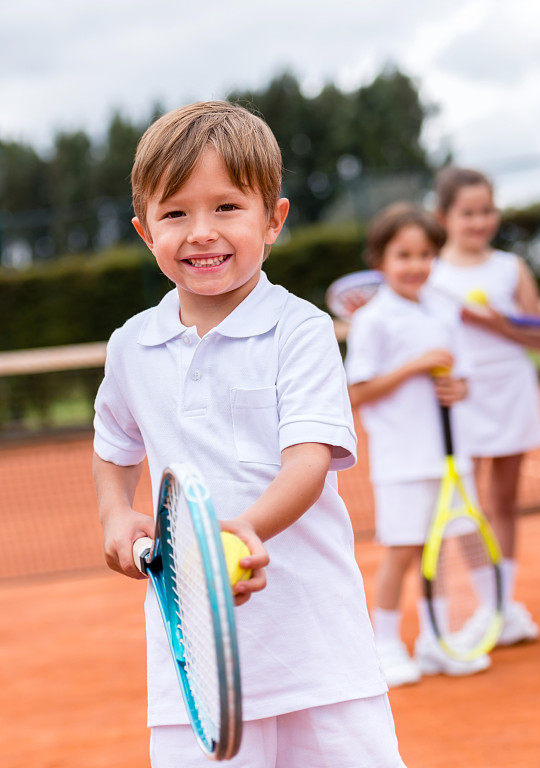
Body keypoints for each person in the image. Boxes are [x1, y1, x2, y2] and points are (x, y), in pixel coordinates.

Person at [92, 101, 405, 768]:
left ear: (274, 220)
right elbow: (114, 447)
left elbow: (309, 460)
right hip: (192, 664)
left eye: (227, 207)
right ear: (145, 231)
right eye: (175, 213)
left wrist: (235, 536)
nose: (201, 232)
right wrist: (116, 514)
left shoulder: (302, 330)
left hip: (320, 653)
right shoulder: (131, 347)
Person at [346, 203, 490, 685]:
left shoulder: (445, 310)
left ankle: (436, 640)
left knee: (443, 549)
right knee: (404, 552)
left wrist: (456, 387)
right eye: (403, 254)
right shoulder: (373, 321)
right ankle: (384, 645)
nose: (415, 265)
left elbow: (463, 379)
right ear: (380, 260)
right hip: (401, 459)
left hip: (450, 454)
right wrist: (415, 365)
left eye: (425, 254)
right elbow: (357, 391)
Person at [428, 167, 540, 645]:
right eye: (467, 213)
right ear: (444, 217)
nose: (479, 221)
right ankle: (492, 602)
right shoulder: (432, 275)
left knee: (504, 502)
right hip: (461, 398)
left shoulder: (510, 268)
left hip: (511, 390)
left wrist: (499, 323)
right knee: (464, 503)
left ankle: (504, 607)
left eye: (486, 211)